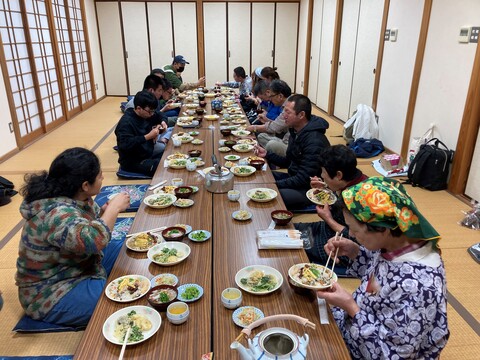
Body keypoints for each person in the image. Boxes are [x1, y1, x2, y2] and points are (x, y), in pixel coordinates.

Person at [317, 177, 449, 359]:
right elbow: (381, 281)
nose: (350, 234)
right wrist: (355, 252)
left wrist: (351, 307)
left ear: (383, 229)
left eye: (354, 230)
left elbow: (392, 355)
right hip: (356, 325)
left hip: (368, 347)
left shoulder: (419, 287)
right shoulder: (398, 244)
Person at [15, 148, 130, 326]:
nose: (103, 179)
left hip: (79, 264)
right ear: (85, 185)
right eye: (100, 176)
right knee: (119, 301)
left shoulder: (72, 195)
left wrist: (104, 213)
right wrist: (114, 209)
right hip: (50, 291)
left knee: (126, 251)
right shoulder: (55, 212)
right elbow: (93, 240)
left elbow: (82, 226)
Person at [294, 145, 368, 268]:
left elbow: (358, 239)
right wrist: (325, 188)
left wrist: (328, 219)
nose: (323, 178)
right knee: (288, 228)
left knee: (292, 245)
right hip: (328, 228)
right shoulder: (356, 178)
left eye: (325, 177)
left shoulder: (361, 198)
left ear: (338, 175)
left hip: (341, 245)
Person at [254, 94, 330, 210]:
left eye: (287, 112)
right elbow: (289, 161)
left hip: (309, 189)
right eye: (284, 111)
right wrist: (267, 154)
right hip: (294, 177)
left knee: (270, 196)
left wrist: (274, 185)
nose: (283, 115)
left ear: (301, 115)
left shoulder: (314, 141)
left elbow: (304, 179)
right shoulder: (295, 131)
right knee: (262, 176)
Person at [115, 90, 168, 176]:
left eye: (153, 111)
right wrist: (147, 136)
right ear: (139, 108)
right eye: (150, 111)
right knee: (162, 167)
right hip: (133, 160)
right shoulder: (126, 122)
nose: (152, 114)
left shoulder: (146, 113)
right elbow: (124, 144)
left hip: (147, 151)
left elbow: (160, 115)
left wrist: (163, 122)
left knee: (169, 155)